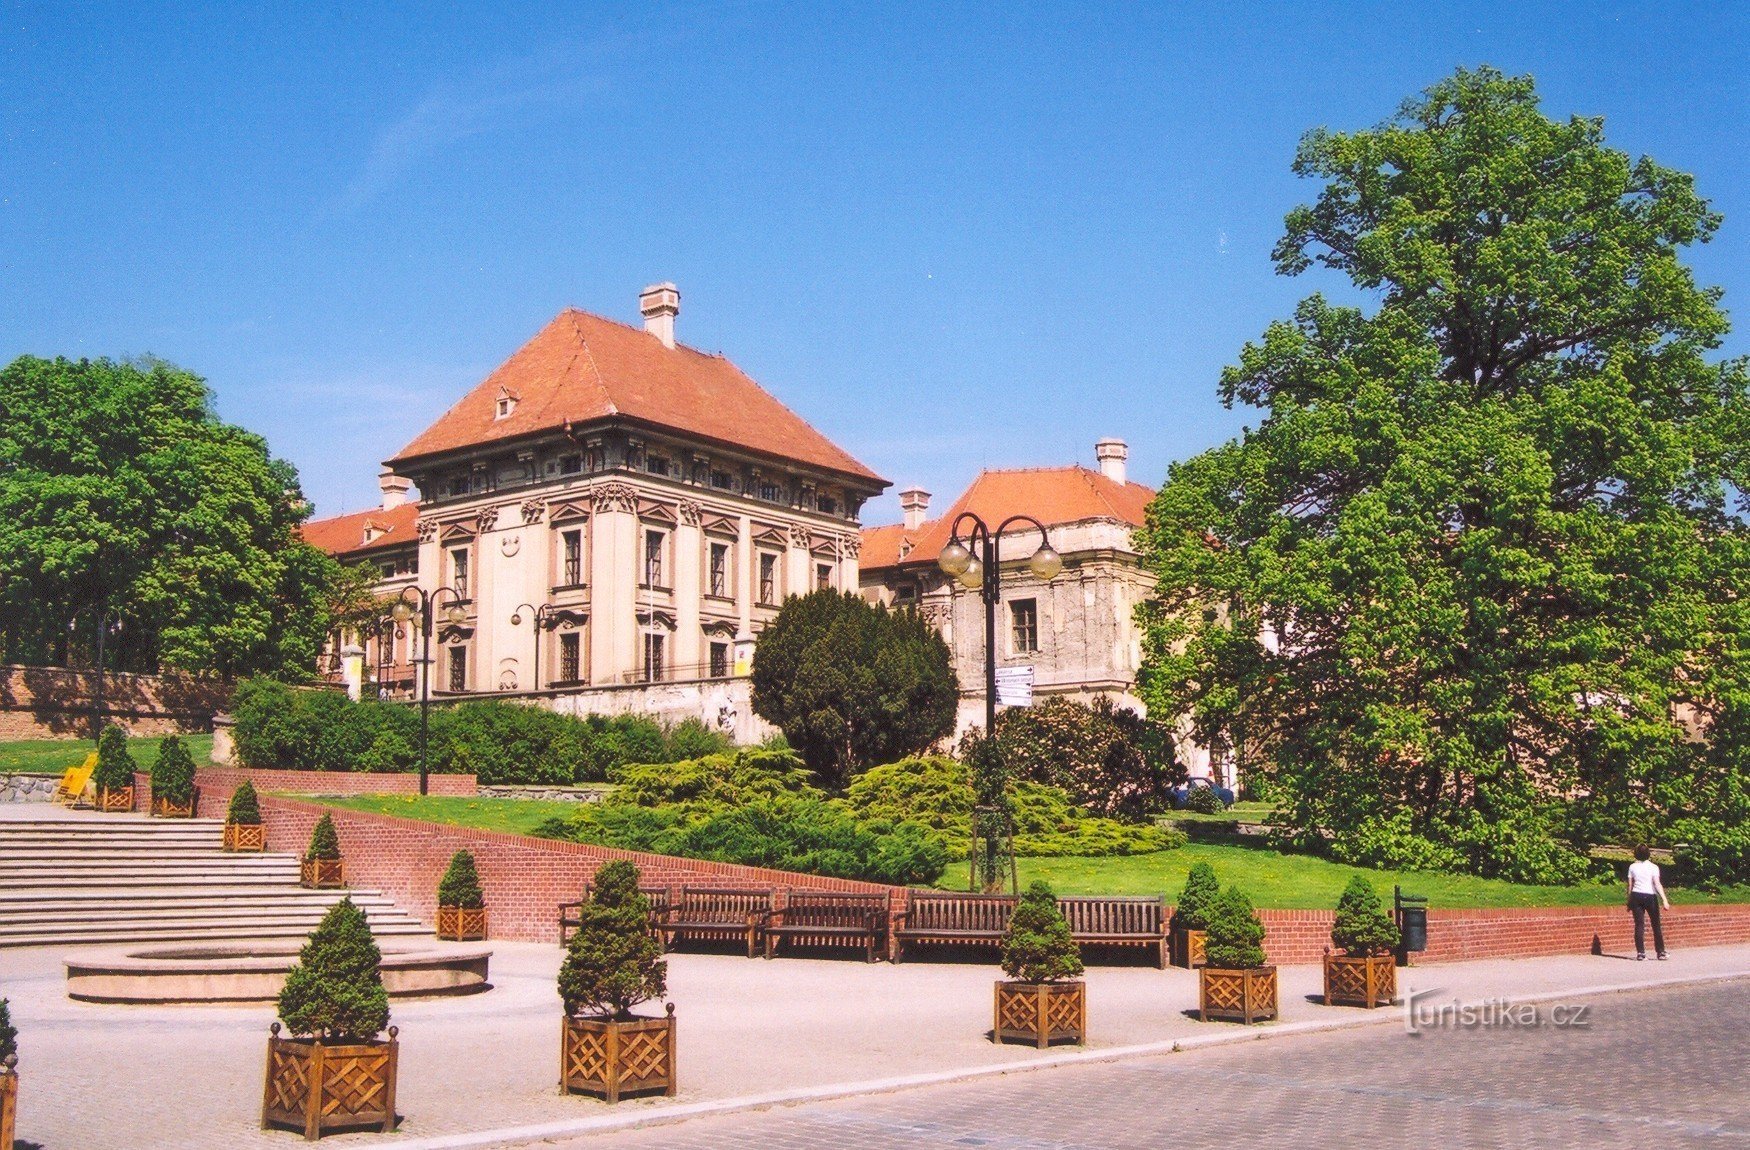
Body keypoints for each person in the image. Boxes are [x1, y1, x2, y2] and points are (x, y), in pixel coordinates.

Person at [1626, 845, 1669, 961]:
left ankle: (1641, 953)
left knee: (1639, 925)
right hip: (1650, 896)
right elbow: (1657, 883)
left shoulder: (1632, 867)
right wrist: (1664, 899)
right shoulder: (1654, 867)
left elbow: (1630, 885)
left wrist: (1629, 901)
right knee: (1656, 925)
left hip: (1636, 896)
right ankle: (1660, 952)